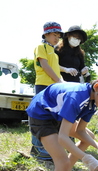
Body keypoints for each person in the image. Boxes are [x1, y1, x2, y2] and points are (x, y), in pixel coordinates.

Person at [30, 21, 64, 161]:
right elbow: (45, 66)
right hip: (43, 85)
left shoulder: (54, 53)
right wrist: (59, 81)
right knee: (39, 117)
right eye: (54, 35)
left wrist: (62, 82)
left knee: (52, 118)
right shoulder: (41, 47)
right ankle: (37, 149)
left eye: (58, 35)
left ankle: (48, 149)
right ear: (46, 34)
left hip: (54, 88)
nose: (57, 38)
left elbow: (55, 69)